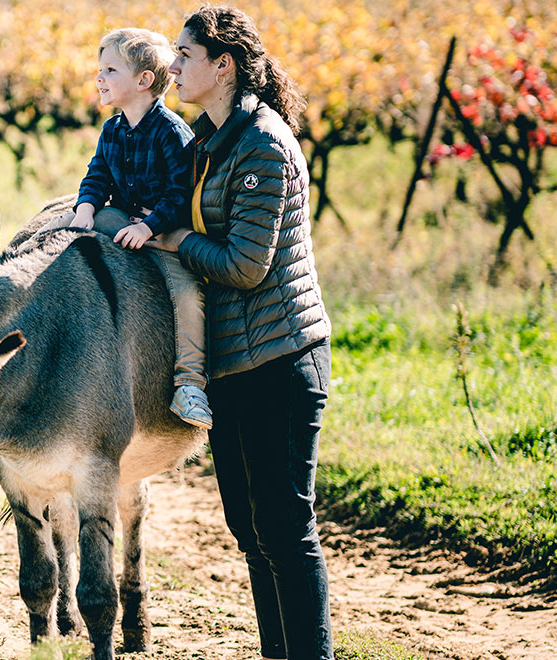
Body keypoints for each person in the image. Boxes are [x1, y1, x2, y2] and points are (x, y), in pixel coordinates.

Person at [147, 6, 335, 660]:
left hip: (281, 362)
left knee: (285, 531)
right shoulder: (208, 140)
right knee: (249, 532)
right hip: (234, 366)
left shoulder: (260, 142)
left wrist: (174, 239)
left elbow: (247, 267)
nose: (171, 66)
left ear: (221, 64)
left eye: (183, 55)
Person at [37, 27, 212, 429]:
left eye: (110, 70)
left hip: (165, 231)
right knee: (57, 230)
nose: (99, 77)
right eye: (100, 69)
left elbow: (178, 195)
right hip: (121, 217)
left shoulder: (171, 132)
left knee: (187, 294)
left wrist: (150, 228)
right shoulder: (112, 130)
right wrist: (85, 208)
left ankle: (189, 385)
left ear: (144, 81)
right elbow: (97, 176)